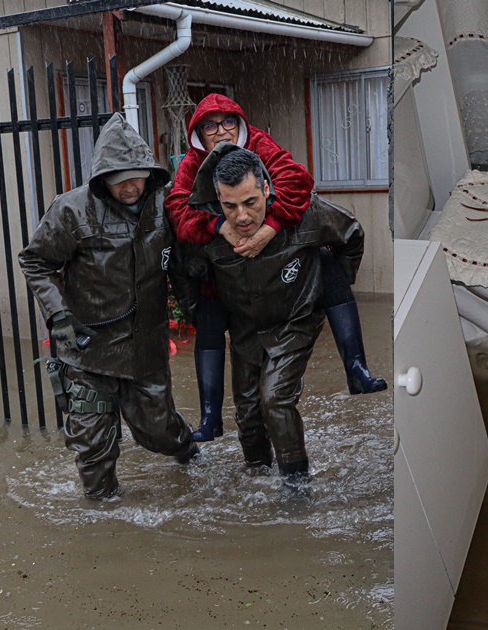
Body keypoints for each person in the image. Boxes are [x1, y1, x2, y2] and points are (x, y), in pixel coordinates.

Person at [165, 93, 386, 444]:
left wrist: (271, 226)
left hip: (283, 263)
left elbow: (298, 182)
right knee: (212, 318)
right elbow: (177, 212)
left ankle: (356, 367)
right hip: (227, 272)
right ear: (197, 133)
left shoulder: (259, 144)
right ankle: (210, 416)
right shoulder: (192, 164)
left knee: (326, 262)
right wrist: (217, 226)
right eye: (209, 125)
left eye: (228, 122)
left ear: (240, 124)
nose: (220, 131)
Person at [19, 112, 198, 501]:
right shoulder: (71, 210)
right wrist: (58, 313)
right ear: (103, 181)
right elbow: (35, 261)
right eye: (120, 182)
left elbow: (181, 264)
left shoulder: (165, 206)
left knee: (159, 432)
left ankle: (190, 452)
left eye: (137, 178)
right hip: (87, 352)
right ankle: (104, 515)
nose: (131, 188)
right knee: (92, 445)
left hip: (145, 348)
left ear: (149, 173)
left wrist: (193, 307)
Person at [172, 144, 365, 485]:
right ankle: (258, 478)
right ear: (217, 199)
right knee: (247, 414)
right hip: (246, 328)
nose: (242, 217)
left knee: (274, 398)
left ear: (265, 188)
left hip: (296, 320)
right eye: (229, 206)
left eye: (250, 203)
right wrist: (200, 312)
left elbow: (351, 235)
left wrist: (331, 285)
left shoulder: (305, 214)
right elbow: (187, 272)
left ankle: (296, 484)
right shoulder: (209, 234)